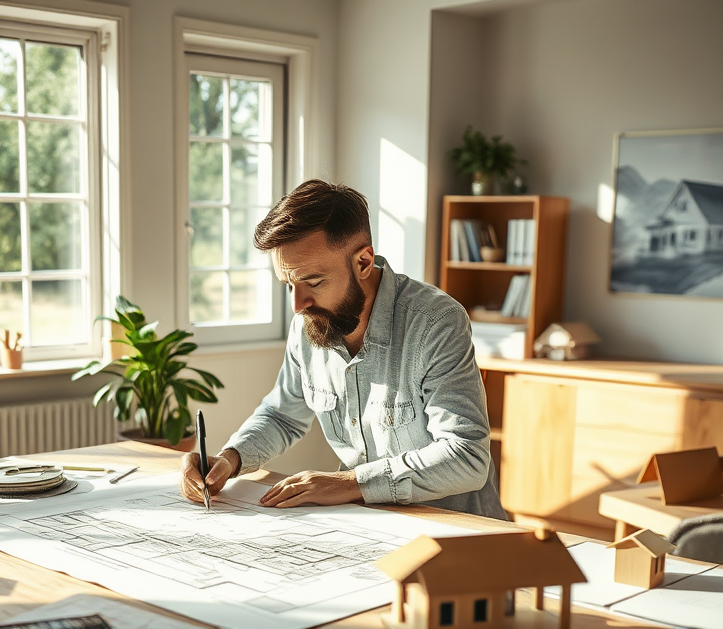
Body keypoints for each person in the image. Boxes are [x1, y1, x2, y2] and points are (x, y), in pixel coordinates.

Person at [181, 179, 507, 520]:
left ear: (364, 262)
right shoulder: (309, 323)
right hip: (366, 526)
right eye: (288, 284)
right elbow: (281, 415)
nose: (297, 304)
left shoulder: (436, 322)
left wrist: (351, 482)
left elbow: (467, 456)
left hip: (457, 533)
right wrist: (231, 458)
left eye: (314, 282)